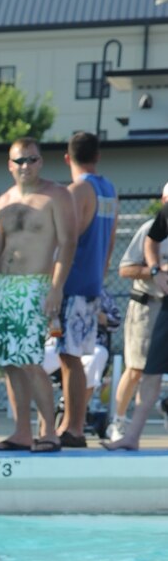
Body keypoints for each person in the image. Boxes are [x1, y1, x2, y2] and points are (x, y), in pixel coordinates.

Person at [0, 138, 73, 454]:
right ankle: (21, 432)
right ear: (10, 164)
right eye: (19, 161)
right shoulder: (2, 202)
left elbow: (68, 243)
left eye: (31, 160)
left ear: (41, 162)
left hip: (36, 286)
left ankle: (49, 431)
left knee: (32, 361)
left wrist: (55, 288)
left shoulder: (56, 196)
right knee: (10, 363)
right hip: (5, 288)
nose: (25, 166)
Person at [56, 131, 117, 448]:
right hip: (92, 283)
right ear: (98, 156)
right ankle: (70, 424)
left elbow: (67, 240)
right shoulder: (108, 189)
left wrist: (54, 283)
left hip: (74, 283)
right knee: (74, 357)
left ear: (67, 158)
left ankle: (74, 427)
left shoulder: (78, 190)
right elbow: (108, 243)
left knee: (70, 358)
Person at [104, 193, 168, 453]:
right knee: (146, 370)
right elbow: (152, 239)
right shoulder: (160, 219)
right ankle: (129, 434)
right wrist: (156, 270)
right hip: (156, 305)